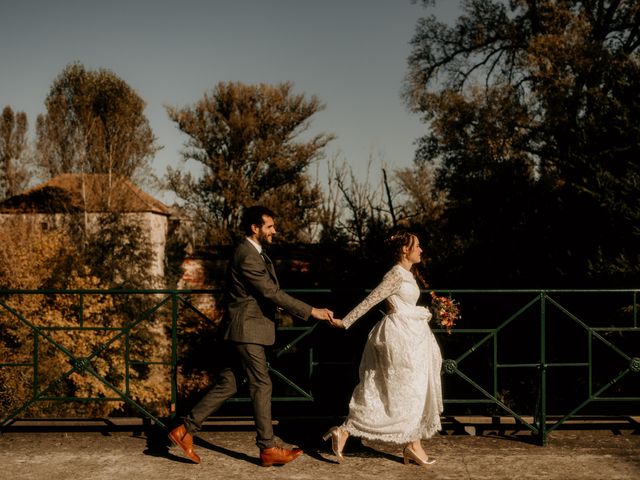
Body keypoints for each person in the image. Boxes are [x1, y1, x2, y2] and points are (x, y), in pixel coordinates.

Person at [169, 205, 335, 467]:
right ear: (254, 228)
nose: (274, 231)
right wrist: (310, 310)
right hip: (247, 329)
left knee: (230, 383)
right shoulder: (247, 255)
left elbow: (264, 292)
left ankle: (184, 430)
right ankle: (267, 448)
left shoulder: (256, 253)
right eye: (270, 226)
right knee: (262, 383)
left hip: (248, 328)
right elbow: (269, 292)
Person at [323, 231, 443, 467]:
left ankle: (413, 445)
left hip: (413, 337)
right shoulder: (395, 275)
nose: (421, 249)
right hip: (401, 339)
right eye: (417, 246)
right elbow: (371, 300)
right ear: (404, 250)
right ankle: (347, 430)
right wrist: (345, 321)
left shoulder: (407, 274)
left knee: (413, 391)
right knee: (400, 390)